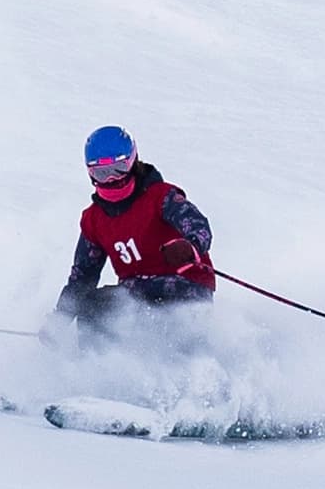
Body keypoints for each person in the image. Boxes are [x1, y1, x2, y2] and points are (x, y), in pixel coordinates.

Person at [54, 126, 215, 335]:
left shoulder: (161, 197)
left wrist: (189, 247)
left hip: (183, 286)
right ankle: (99, 363)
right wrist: (60, 318)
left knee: (130, 305)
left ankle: (192, 356)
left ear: (133, 162)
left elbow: (198, 225)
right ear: (90, 173)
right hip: (136, 294)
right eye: (101, 173)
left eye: (119, 169)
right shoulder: (94, 220)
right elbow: (83, 275)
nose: (112, 179)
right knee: (91, 305)